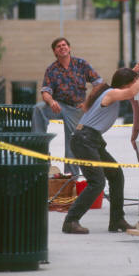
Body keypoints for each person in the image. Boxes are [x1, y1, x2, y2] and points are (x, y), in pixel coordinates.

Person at [62, 57, 139, 235]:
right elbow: (131, 91)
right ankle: (71, 221)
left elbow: (127, 87)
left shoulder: (111, 91)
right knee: (97, 182)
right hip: (84, 140)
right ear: (125, 84)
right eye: (131, 82)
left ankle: (117, 220)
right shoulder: (111, 94)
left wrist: (134, 72)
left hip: (90, 140)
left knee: (116, 175)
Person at [32, 37, 103, 175]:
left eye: (64, 45)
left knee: (72, 141)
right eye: (58, 46)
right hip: (59, 106)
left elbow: (99, 83)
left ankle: (71, 177)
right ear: (55, 52)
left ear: (69, 48)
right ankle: (40, 151)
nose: (62, 47)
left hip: (77, 108)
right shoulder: (51, 69)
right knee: (38, 108)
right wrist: (51, 102)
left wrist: (88, 102)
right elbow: (45, 91)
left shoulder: (81, 64)